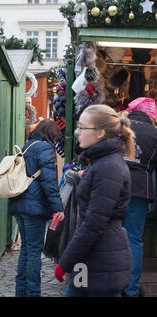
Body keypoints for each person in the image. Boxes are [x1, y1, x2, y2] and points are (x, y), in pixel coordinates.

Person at [54, 104, 135, 297]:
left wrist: (65, 262)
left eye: (83, 127)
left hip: (103, 261)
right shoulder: (100, 162)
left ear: (100, 133)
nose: (77, 132)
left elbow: (93, 223)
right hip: (90, 258)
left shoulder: (108, 168)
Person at [8, 119, 64, 297]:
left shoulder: (28, 145)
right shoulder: (45, 149)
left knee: (26, 249)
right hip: (35, 207)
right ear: (51, 134)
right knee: (33, 251)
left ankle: (21, 291)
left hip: (20, 203)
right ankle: (33, 292)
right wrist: (58, 208)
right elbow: (49, 182)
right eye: (56, 137)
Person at [122, 97, 157, 297]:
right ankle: (131, 288)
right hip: (140, 190)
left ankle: (112, 285)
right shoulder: (154, 134)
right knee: (133, 238)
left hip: (113, 186)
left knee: (110, 235)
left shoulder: (118, 127)